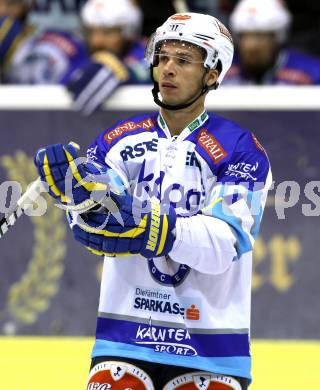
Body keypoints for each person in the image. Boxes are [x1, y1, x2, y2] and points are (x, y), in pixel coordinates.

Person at [34, 12, 272, 389]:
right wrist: (76, 196)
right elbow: (91, 224)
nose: (168, 69)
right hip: (124, 337)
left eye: (183, 60)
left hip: (211, 345)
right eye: (162, 57)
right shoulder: (119, 139)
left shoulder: (241, 149)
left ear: (213, 73)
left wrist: (151, 225)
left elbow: (224, 243)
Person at [0, 0, 150, 115]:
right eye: (91, 32)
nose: (96, 41)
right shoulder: (80, 54)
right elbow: (68, 83)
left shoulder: (147, 53)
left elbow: (145, 69)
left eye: (108, 32)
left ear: (129, 33)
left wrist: (127, 72)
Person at [224, 0, 320, 85]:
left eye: (261, 37)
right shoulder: (220, 71)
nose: (251, 46)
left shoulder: (311, 72)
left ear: (278, 38)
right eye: (245, 37)